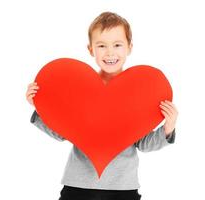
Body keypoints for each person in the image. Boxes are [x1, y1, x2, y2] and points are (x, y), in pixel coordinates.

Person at [26, 11, 178, 200]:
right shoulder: (78, 90)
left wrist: (168, 129)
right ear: (91, 49)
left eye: (117, 45)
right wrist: (41, 107)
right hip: (77, 188)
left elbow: (143, 144)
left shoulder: (139, 92)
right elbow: (61, 132)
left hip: (123, 190)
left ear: (129, 47)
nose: (110, 52)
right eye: (101, 45)